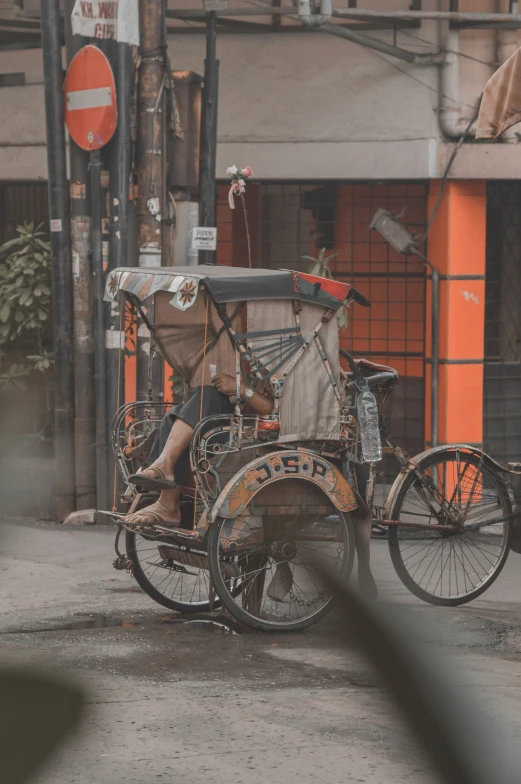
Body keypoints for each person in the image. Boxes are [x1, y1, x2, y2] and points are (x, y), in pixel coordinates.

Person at [124, 373, 274, 527]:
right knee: (183, 411)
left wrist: (242, 389)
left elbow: (276, 410)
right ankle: (164, 474)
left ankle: (164, 482)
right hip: (235, 426)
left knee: (206, 396)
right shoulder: (257, 369)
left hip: (256, 438)